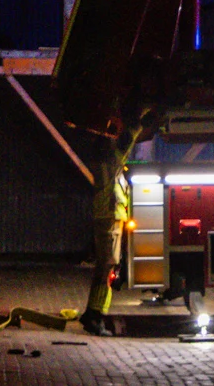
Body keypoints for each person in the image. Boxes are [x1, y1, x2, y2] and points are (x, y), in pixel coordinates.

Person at [81, 143, 132, 335]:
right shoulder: (110, 163)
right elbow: (128, 141)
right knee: (107, 266)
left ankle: (94, 313)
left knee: (107, 266)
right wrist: (140, 127)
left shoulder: (110, 167)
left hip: (110, 218)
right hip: (110, 219)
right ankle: (94, 316)